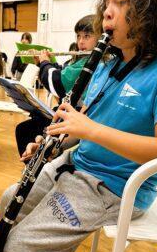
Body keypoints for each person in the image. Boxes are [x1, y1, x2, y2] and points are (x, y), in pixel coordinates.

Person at [0, 0, 157, 252]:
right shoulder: (110, 64)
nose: (106, 12)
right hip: (76, 165)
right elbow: (84, 125)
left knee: (21, 248)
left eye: (120, 3)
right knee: (10, 201)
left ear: (154, 9)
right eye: (106, 2)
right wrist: (54, 141)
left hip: (115, 186)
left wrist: (91, 130)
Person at [14, 15, 98, 156]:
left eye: (87, 36)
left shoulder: (90, 61)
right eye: (78, 36)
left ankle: (39, 162)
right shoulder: (84, 59)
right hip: (71, 111)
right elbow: (64, 72)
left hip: (77, 114)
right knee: (31, 123)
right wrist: (44, 63)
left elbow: (57, 82)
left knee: (25, 129)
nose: (81, 42)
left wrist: (44, 63)